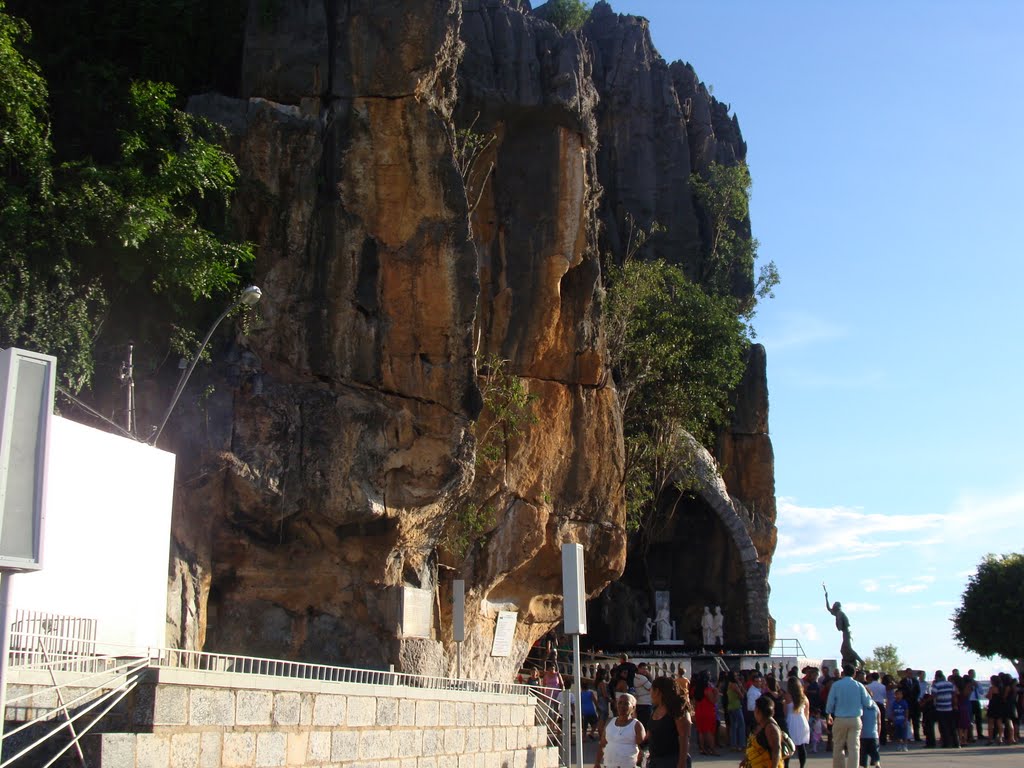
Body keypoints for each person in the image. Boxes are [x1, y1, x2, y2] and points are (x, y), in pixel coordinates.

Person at [825, 663, 874, 768]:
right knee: (854, 747)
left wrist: (828, 713)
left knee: (838, 746)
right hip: (855, 718)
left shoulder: (836, 685)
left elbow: (830, 703)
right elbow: (868, 703)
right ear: (854, 673)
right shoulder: (859, 685)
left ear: (843, 673)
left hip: (840, 718)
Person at [647, 676, 691, 768]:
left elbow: (684, 737)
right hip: (655, 761)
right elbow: (651, 734)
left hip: (673, 761)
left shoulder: (678, 708)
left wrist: (682, 763)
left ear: (657, 691)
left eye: (651, 689)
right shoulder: (655, 709)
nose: (649, 692)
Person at [595, 693, 646, 768]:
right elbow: (602, 744)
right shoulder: (611, 723)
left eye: (626, 703)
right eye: (620, 703)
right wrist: (597, 762)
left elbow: (643, 749)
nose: (622, 706)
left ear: (633, 707)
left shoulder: (637, 725)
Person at [823, 584, 865, 668]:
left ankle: (861, 661)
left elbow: (839, 625)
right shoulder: (838, 613)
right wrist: (826, 598)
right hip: (845, 633)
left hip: (847, 632)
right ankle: (853, 663)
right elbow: (829, 609)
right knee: (843, 650)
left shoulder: (840, 614)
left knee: (848, 648)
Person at [741, 694, 783, 768]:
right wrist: (745, 760)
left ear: (758, 711)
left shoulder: (771, 728)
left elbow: (776, 750)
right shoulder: (760, 724)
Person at [784, 675, 810, 768]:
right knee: (801, 747)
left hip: (791, 721)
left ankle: (786, 766)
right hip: (802, 721)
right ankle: (802, 766)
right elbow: (807, 711)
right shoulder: (804, 697)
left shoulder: (787, 696)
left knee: (788, 746)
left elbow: (785, 712)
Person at [693, 672, 720, 756]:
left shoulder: (695, 689)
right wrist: (717, 693)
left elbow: (694, 702)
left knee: (701, 731)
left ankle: (702, 748)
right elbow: (713, 701)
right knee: (709, 732)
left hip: (699, 712)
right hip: (708, 712)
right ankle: (712, 749)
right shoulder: (708, 690)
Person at [931, 670, 958, 748]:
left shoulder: (936, 685)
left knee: (943, 727)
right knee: (952, 726)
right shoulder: (950, 684)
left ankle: (946, 743)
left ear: (936, 677)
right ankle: (956, 743)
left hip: (940, 708)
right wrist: (955, 705)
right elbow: (954, 694)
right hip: (949, 707)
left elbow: (934, 696)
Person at [858, 690, 880, 768]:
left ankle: (865, 766)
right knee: (874, 751)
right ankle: (877, 763)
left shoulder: (861, 706)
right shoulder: (875, 706)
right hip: (874, 734)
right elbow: (879, 721)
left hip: (863, 734)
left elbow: (859, 719)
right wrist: (878, 733)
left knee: (864, 753)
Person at [727, 670, 747, 752]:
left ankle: (733, 744)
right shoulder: (734, 685)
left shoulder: (729, 684)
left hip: (731, 706)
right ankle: (741, 744)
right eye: (735, 676)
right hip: (736, 706)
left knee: (734, 726)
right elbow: (742, 695)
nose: (737, 677)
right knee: (741, 725)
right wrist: (741, 686)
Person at [635, 662, 654, 729]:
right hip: (645, 703)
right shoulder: (642, 678)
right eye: (642, 668)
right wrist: (649, 675)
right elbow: (651, 688)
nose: (644, 670)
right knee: (646, 724)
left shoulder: (635, 677)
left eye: (645, 669)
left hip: (639, 703)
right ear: (638, 669)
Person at [890, 686, 910, 752]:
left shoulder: (904, 702)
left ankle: (905, 745)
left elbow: (906, 711)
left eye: (899, 694)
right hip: (896, 720)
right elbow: (892, 711)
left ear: (902, 695)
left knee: (904, 734)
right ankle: (899, 745)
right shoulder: (894, 703)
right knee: (898, 734)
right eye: (897, 694)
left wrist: (906, 719)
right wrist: (893, 719)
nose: (898, 696)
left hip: (903, 720)